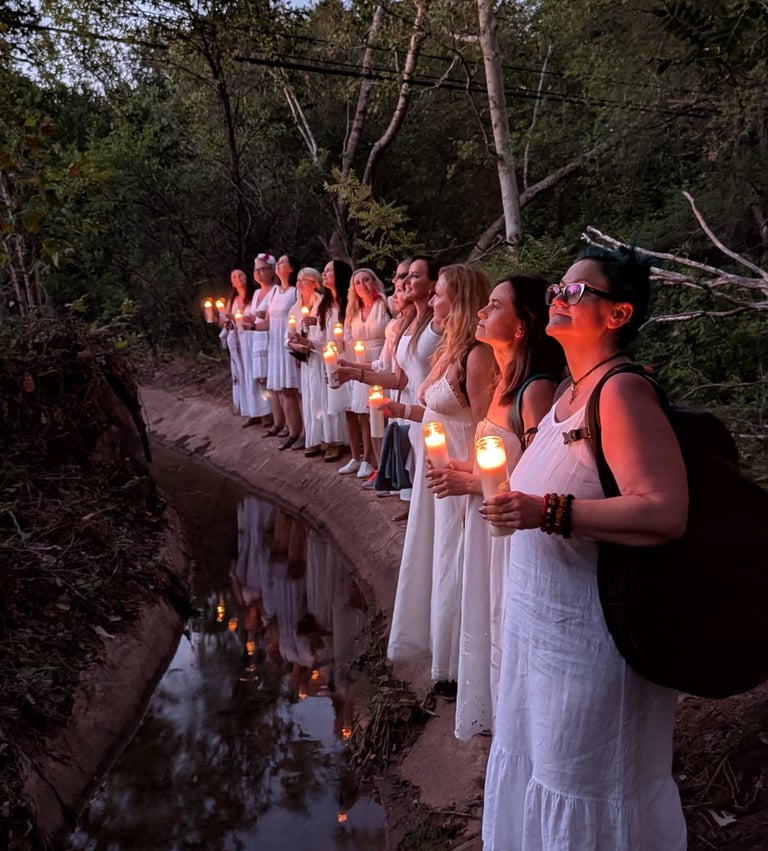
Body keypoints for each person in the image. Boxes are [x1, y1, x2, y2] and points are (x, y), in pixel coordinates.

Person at [480, 246, 688, 851]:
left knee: (589, 786)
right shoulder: (571, 391)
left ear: (617, 314)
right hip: (544, 636)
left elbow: (663, 511)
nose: (558, 298)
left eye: (575, 292)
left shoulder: (620, 393)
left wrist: (544, 511)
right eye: (556, 291)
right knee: (543, 769)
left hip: (595, 644)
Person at [425, 275, 564, 738]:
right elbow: (499, 461)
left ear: (522, 325)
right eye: (484, 305)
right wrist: (459, 468)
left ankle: (522, 723)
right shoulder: (505, 380)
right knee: (488, 613)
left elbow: (539, 478)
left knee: (506, 616)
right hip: (489, 525)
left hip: (513, 534)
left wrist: (467, 482)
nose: (482, 313)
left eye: (494, 305)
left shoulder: (535, 392)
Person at [384, 263, 495, 695]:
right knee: (438, 558)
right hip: (438, 473)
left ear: (460, 299)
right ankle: (443, 657)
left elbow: (488, 427)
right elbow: (434, 408)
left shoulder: (478, 355)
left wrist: (475, 481)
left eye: (439, 294)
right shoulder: (449, 348)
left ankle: (460, 669)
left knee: (457, 562)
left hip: (461, 475)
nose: (432, 300)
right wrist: (404, 413)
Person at [336, 268, 390, 479]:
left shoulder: (385, 304)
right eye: (358, 282)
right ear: (354, 289)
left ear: (374, 282)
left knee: (383, 411)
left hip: (381, 357)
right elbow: (348, 339)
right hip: (360, 362)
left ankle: (384, 459)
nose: (363, 284)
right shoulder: (353, 310)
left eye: (366, 280)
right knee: (363, 413)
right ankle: (367, 458)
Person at [253, 254, 303, 448]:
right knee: (283, 390)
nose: (279, 265)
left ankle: (303, 433)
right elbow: (268, 322)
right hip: (275, 345)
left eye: (283, 262)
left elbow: (300, 318)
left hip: (289, 345)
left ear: (290, 268)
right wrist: (248, 326)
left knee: (295, 390)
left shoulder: (295, 291)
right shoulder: (274, 292)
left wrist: (300, 346)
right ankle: (291, 430)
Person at [219, 269, 254, 418]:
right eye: (234, 276)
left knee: (251, 372)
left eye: (240, 274)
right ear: (231, 282)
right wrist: (225, 320)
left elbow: (255, 317)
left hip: (250, 338)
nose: (238, 278)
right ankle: (245, 408)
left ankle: (258, 410)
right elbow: (224, 322)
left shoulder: (254, 296)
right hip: (236, 340)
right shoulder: (232, 300)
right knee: (240, 373)